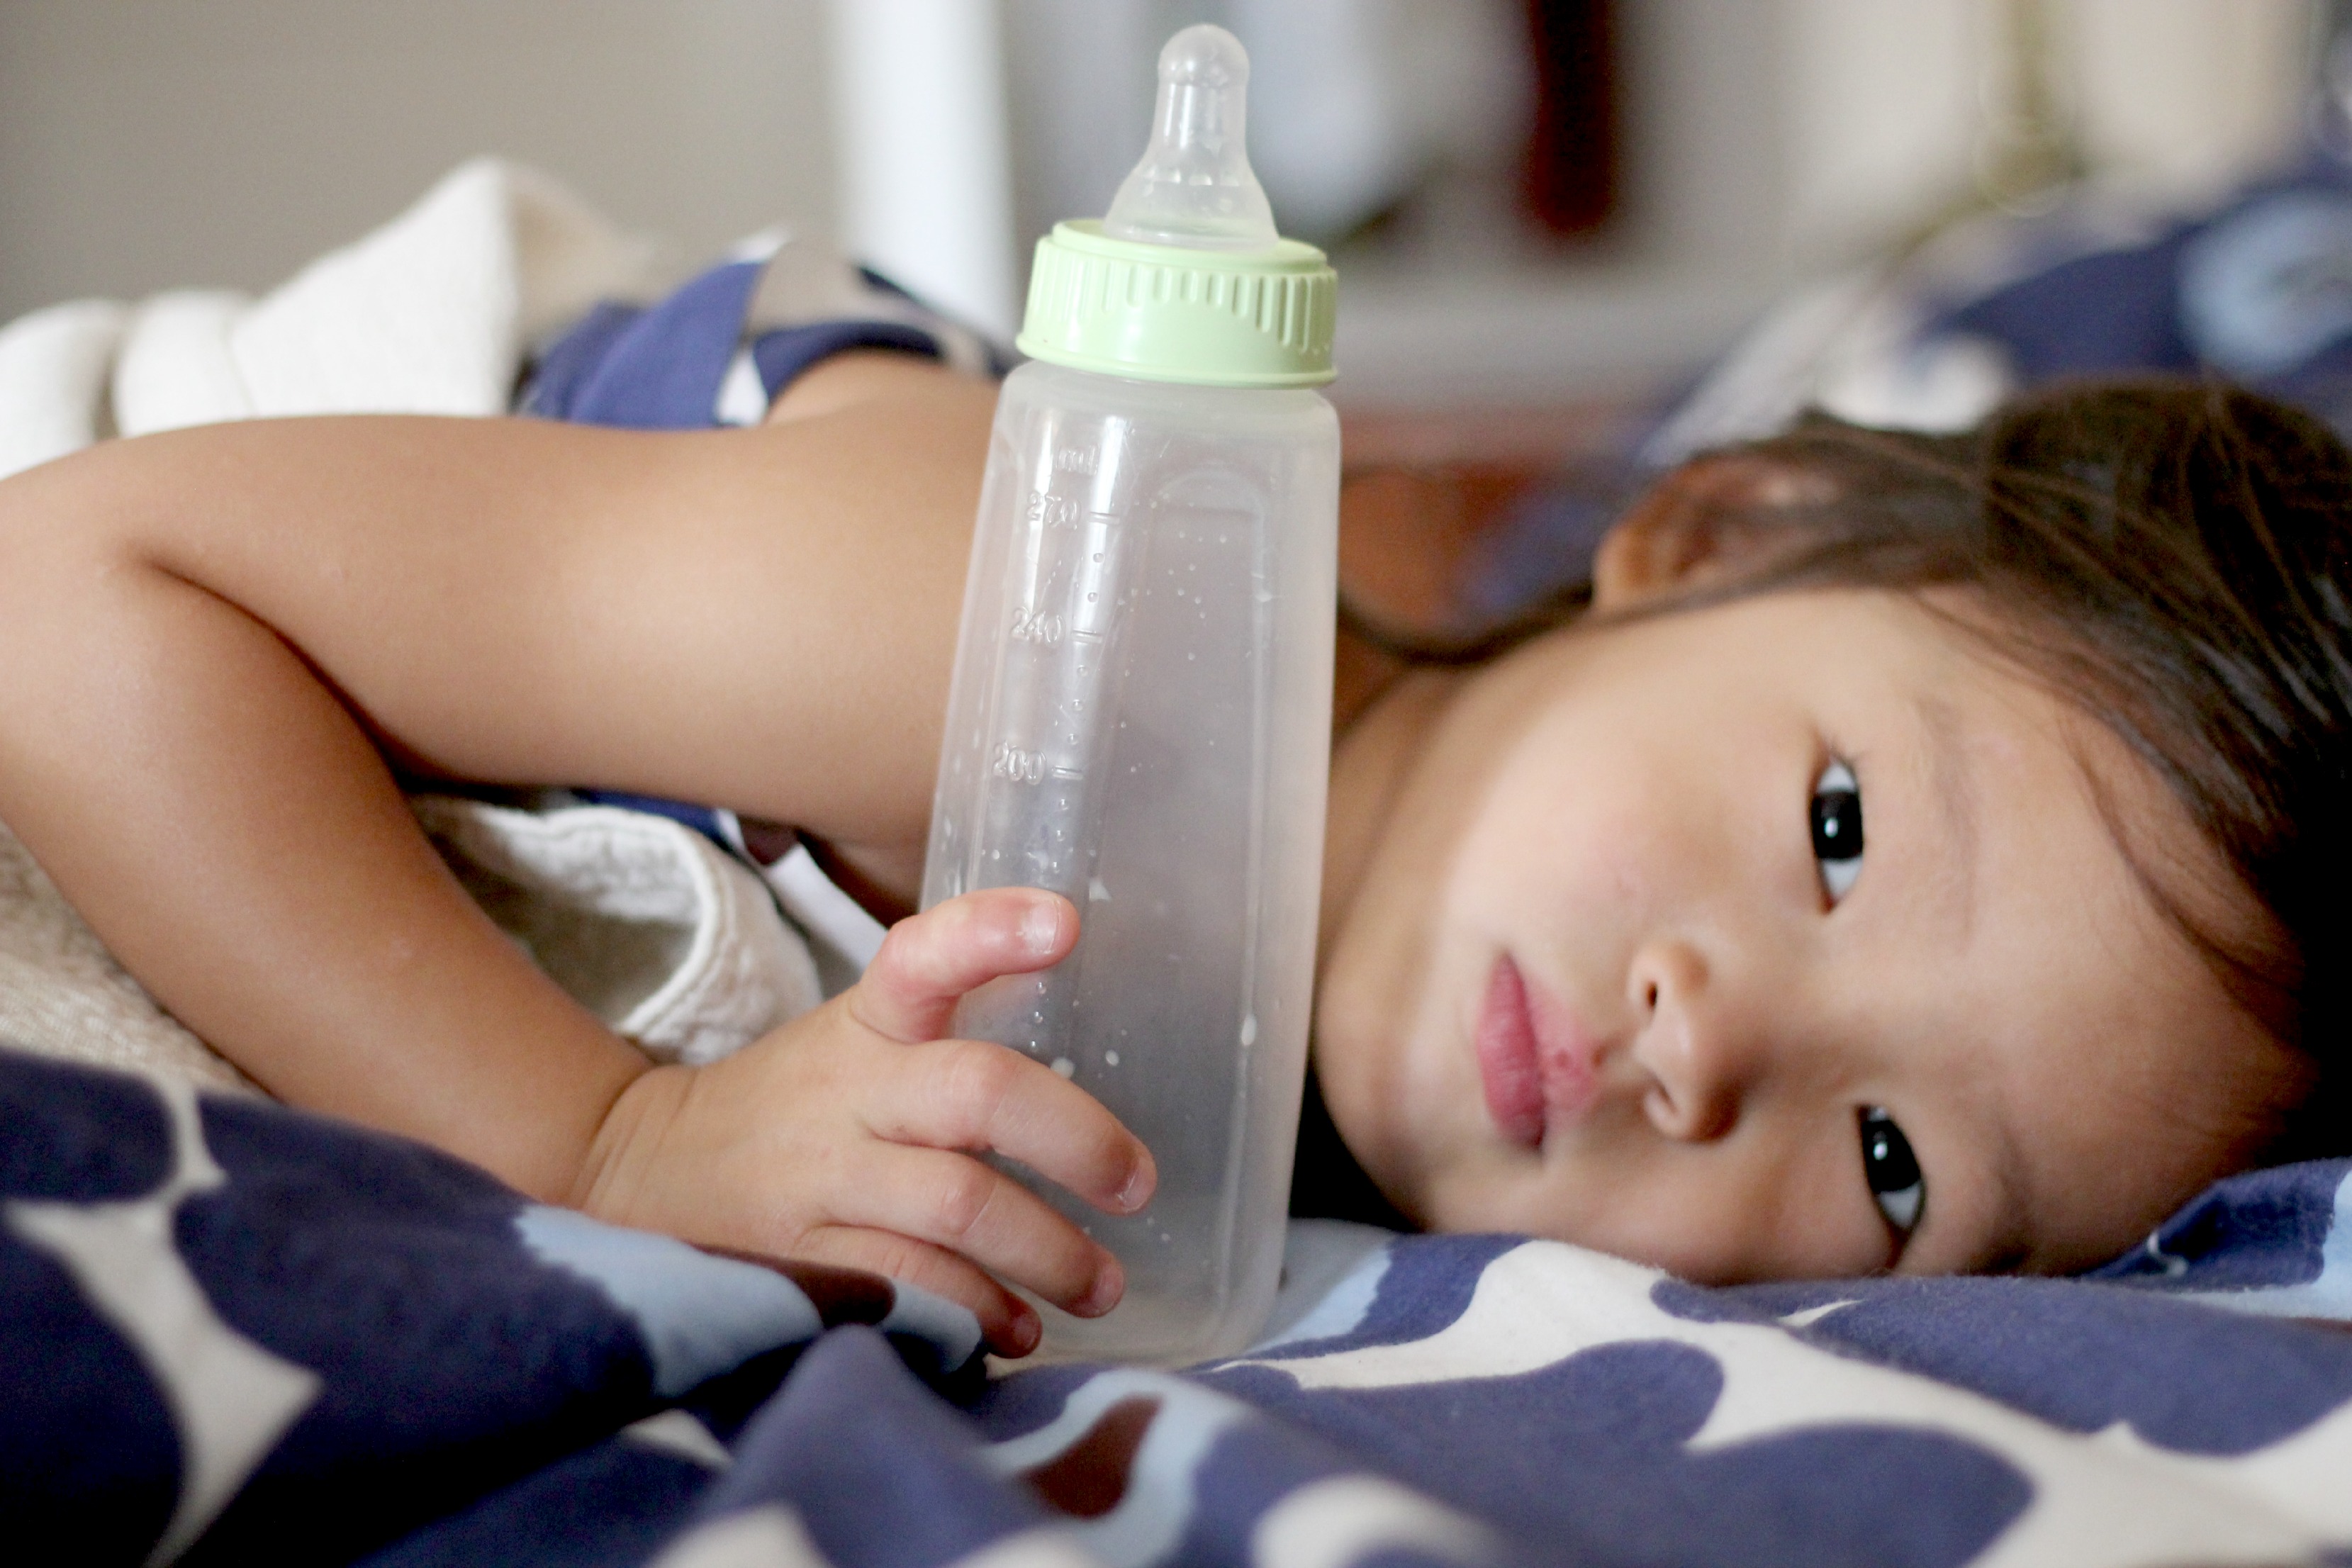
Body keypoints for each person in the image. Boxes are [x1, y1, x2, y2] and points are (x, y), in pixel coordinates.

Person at [0, 351, 2339, 1357]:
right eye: (1835, 829)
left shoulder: (1272, 1164)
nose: (1713, 1039)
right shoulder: (1043, 633)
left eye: (1905, 1164)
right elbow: (76, 591)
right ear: (1722, 529)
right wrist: (607, 1139)